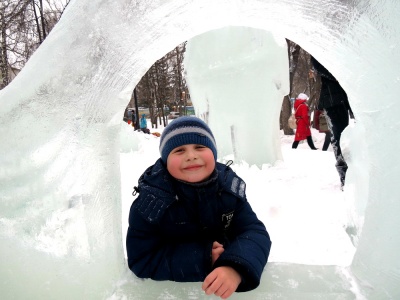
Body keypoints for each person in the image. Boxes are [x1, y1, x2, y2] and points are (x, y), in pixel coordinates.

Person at [126, 116, 271, 299]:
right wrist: (200, 258)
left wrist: (235, 266)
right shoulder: (151, 202)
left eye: (200, 147)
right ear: (165, 160)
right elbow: (142, 258)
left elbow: (254, 232)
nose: (191, 155)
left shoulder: (228, 190)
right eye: (179, 150)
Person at [310, 56, 355, 187]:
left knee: (355, 133)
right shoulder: (319, 46)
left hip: (346, 97)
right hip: (331, 99)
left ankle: (357, 172)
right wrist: (341, 76)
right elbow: (318, 65)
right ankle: (344, 176)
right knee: (338, 137)